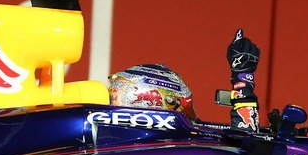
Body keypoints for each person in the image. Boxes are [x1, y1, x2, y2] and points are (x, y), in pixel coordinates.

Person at [108, 29, 262, 132]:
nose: (109, 102)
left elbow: (244, 142)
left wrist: (243, 80)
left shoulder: (191, 144)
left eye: (116, 96)